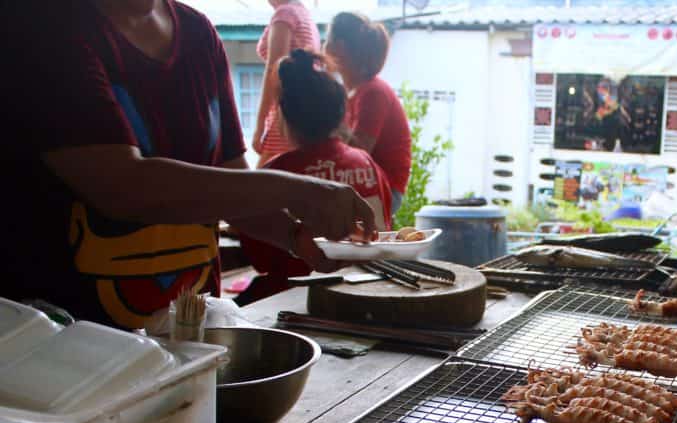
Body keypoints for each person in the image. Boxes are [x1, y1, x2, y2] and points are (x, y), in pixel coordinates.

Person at [3, 0, 377, 330]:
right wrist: (295, 188)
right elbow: (123, 186)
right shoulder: (41, 23)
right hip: (64, 349)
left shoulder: (198, 35)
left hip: (189, 331)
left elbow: (232, 181)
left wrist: (297, 238)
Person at [240, 49, 392, 301]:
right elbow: (387, 229)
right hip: (369, 288)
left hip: (299, 298)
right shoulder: (366, 162)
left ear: (284, 116)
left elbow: (261, 258)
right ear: (339, 113)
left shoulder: (276, 175)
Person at [325, 12, 411, 217]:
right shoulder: (352, 93)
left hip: (383, 190)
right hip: (365, 185)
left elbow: (359, 153)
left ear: (340, 47)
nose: (323, 47)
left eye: (327, 40)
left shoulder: (373, 92)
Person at [252, 0, 320, 167]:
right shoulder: (305, 15)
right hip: (304, 112)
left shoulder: (285, 15)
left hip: (286, 111)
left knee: (259, 184)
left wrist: (260, 123)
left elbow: (275, 71)